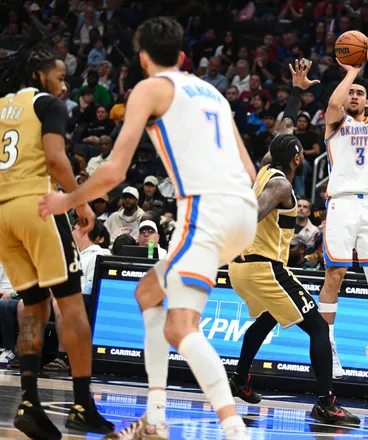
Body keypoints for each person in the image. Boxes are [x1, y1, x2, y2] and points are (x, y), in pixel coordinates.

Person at [38, 18, 258, 440]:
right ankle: (155, 418)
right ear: (181, 55)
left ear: (142, 57)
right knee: (147, 292)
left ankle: (234, 430)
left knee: (181, 328)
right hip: (242, 210)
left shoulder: (150, 88)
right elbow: (249, 168)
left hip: (206, 209)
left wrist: (67, 200)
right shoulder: (211, 90)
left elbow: (115, 169)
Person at [0, 37, 115, 438]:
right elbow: (54, 158)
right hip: (37, 207)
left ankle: (29, 403)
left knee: (33, 305)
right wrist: (79, 201)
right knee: (71, 306)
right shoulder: (46, 105)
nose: (65, 86)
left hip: (3, 215)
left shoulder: (0, 109)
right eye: (59, 76)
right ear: (39, 75)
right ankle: (82, 405)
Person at [227, 72, 358, 422]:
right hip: (264, 266)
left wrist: (297, 93)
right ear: (299, 160)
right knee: (317, 328)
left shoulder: (265, 168)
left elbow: (283, 129)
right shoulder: (281, 185)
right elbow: (255, 212)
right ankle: (327, 400)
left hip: (241, 270)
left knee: (268, 317)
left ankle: (240, 379)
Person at [319, 34, 368, 379]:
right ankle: (328, 345)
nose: (354, 96)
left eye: (359, 93)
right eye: (351, 92)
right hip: (342, 205)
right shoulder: (335, 123)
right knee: (335, 274)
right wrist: (349, 73)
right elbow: (333, 105)